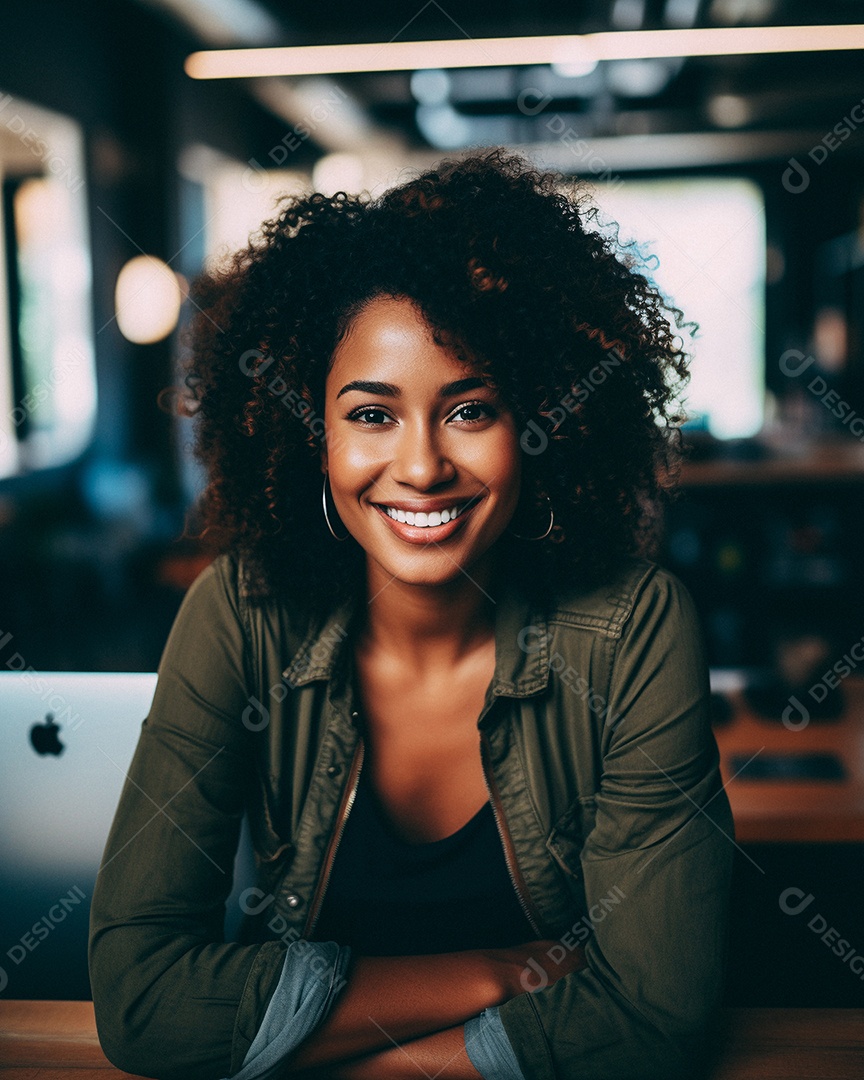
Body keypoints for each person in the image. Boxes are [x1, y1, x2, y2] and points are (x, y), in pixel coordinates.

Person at [89, 146, 734, 1080]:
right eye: (371, 414)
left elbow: (656, 1019)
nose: (423, 466)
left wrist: (339, 1053)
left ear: (542, 426)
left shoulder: (632, 630)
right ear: (309, 434)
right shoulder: (240, 612)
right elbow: (143, 1001)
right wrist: (489, 975)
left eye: (470, 411)